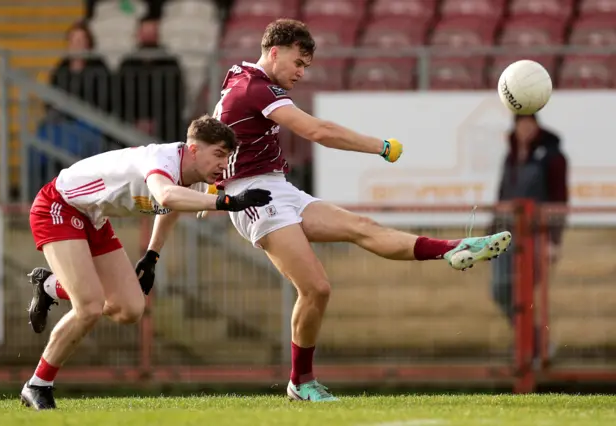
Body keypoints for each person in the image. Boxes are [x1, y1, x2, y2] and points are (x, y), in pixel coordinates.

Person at [205, 18, 513, 402]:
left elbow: (213, 128)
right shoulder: (256, 88)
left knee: (362, 227)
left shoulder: (240, 75)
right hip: (255, 198)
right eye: (299, 63)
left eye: (306, 66)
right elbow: (317, 131)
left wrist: (210, 181)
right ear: (274, 52)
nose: (302, 73)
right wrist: (379, 146)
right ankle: (300, 383)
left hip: (276, 187)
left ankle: (451, 248)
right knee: (316, 288)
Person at [20, 115, 272, 410]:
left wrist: (152, 255)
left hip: (93, 217)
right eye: (218, 154)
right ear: (193, 149)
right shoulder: (162, 159)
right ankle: (38, 384)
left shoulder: (192, 177)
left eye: (226, 157)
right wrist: (227, 203)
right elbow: (166, 195)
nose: (222, 164)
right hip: (58, 206)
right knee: (88, 307)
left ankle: (50, 286)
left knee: (130, 309)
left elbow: (172, 205)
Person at [488, 113, 568, 365]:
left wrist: (554, 242)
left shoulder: (553, 157)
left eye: (528, 123)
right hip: (504, 235)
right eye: (520, 124)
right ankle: (536, 343)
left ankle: (530, 350)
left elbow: (559, 201)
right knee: (500, 289)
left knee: (525, 294)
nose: (524, 129)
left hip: (535, 236)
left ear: (536, 125)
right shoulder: (510, 155)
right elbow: (501, 195)